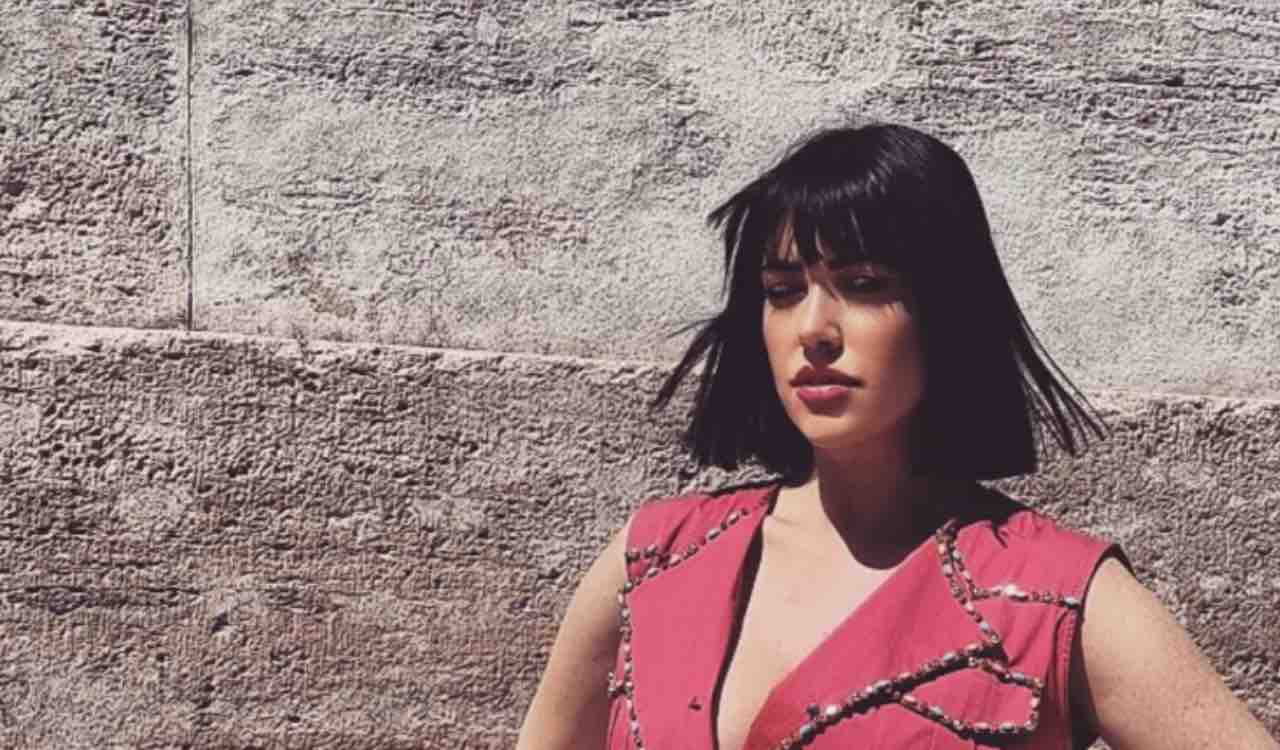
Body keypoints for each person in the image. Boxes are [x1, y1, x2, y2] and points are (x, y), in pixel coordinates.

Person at [514, 124, 1276, 749]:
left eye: (864, 285)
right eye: (782, 292)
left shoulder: (1054, 596)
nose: (814, 329)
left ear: (947, 311)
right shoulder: (655, 559)